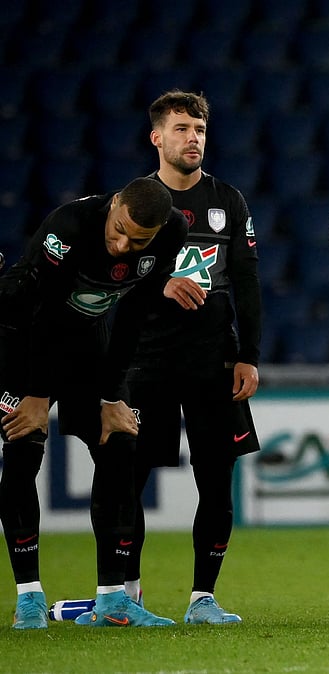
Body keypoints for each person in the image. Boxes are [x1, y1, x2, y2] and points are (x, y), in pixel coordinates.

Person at [63, 91, 264, 626]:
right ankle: (126, 592)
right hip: (145, 361)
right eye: (180, 129)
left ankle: (204, 598)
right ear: (156, 137)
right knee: (128, 477)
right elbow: (108, 282)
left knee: (217, 479)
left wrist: (249, 355)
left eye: (198, 128)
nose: (192, 138)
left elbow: (246, 282)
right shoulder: (133, 206)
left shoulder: (228, 201)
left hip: (212, 361)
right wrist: (159, 283)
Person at [1, 177, 189, 629]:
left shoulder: (173, 233)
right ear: (115, 204)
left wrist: (110, 396)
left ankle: (112, 601)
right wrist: (37, 398)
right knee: (24, 449)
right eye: (119, 229)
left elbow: (134, 314)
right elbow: (43, 313)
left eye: (137, 240)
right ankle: (29, 599)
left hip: (90, 344)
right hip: (20, 342)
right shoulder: (67, 227)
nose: (123, 246)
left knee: (120, 445)